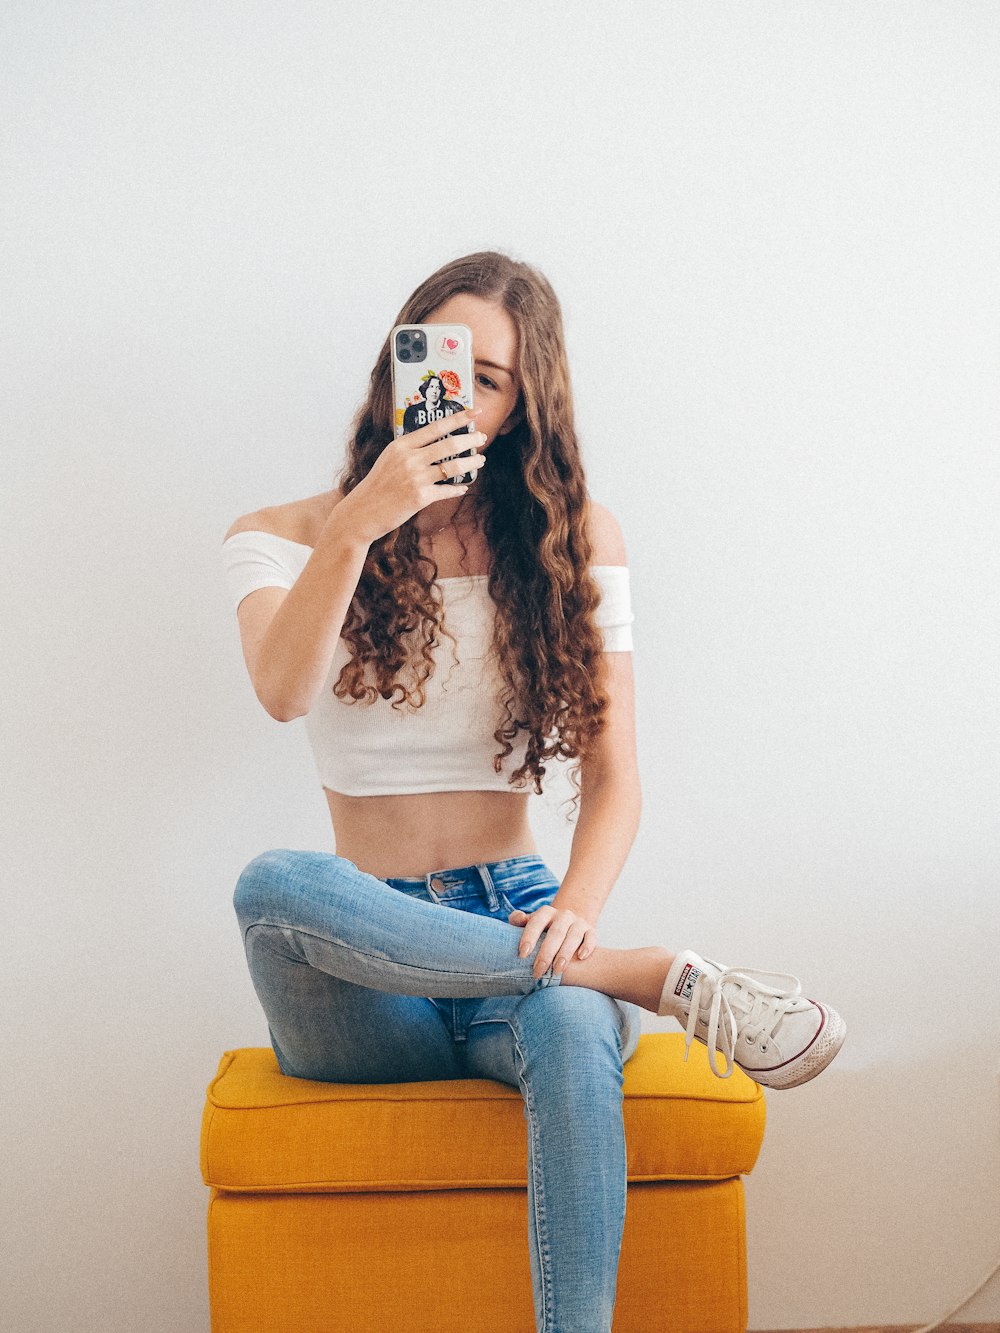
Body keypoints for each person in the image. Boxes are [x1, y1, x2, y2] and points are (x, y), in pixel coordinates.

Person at [220, 250, 846, 1333]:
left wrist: (574, 920)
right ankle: (641, 977)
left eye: (494, 376)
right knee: (273, 881)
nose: (461, 391)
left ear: (523, 406)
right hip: (365, 965)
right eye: (442, 357)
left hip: (518, 915)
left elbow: (616, 778)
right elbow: (281, 691)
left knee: (563, 1023)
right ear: (396, 365)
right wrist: (362, 519)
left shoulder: (571, 539)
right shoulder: (279, 534)